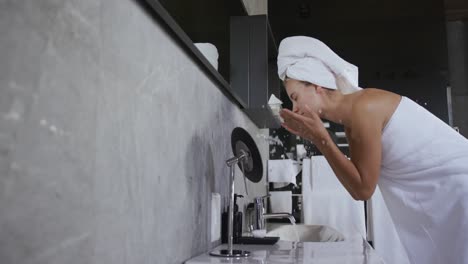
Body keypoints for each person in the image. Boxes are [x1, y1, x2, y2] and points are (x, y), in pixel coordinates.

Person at [277, 36, 468, 264]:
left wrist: (320, 138)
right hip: (449, 195)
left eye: (295, 97)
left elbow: (363, 189)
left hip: (459, 191)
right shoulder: (352, 117)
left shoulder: (363, 108)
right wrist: (320, 138)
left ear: (316, 85)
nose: (294, 108)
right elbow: (358, 185)